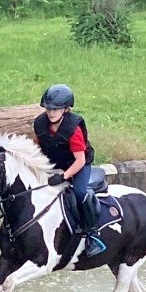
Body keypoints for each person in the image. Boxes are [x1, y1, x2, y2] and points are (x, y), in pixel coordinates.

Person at [33, 84, 106, 257]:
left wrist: (63, 176)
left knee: (80, 193)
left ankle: (92, 235)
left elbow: (80, 160)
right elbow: (38, 148)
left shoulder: (73, 129)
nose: (51, 112)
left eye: (55, 109)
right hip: (55, 164)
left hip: (78, 165)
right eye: (48, 108)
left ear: (66, 109)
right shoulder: (40, 123)